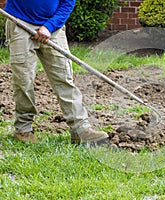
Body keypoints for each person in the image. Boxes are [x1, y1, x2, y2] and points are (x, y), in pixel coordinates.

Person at [4, 0, 109, 145]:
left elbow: (68, 2)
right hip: (20, 22)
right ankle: (23, 129)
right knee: (23, 79)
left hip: (53, 27)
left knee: (64, 77)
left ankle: (80, 130)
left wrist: (50, 26)